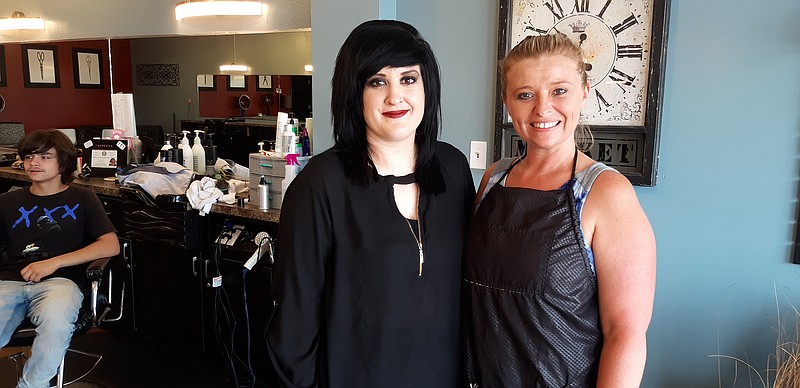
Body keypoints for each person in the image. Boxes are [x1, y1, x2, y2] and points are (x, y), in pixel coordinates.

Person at [266, 20, 475, 388]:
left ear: (428, 87)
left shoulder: (454, 169)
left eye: (408, 79)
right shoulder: (320, 184)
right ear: (354, 92)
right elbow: (294, 325)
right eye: (377, 81)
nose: (395, 96)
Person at [462, 33, 656, 387]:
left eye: (559, 90)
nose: (542, 109)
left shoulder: (606, 193)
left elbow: (625, 334)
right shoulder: (493, 179)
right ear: (507, 101)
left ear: (584, 91)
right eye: (525, 95)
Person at [0, 129, 120, 388]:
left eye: (45, 157)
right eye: (30, 156)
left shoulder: (82, 198)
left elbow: (111, 245)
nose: (35, 163)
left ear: (63, 162)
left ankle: (32, 385)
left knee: (55, 323)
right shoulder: (6, 201)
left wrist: (54, 262)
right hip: (9, 282)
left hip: (60, 282)